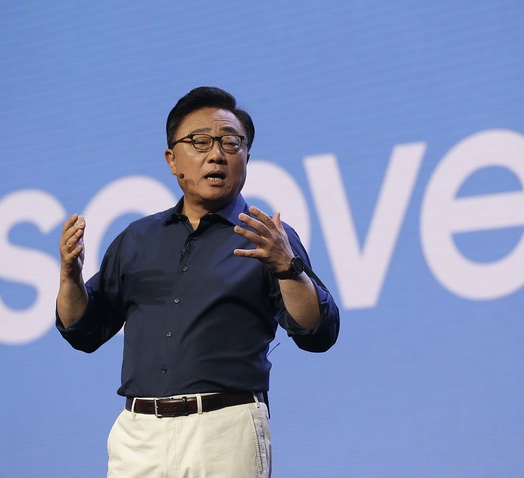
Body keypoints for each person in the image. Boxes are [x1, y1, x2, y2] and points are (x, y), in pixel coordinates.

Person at [56, 86, 340, 477]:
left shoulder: (267, 238)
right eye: (200, 142)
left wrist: (286, 267)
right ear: (173, 160)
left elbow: (317, 332)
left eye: (231, 143)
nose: (217, 154)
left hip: (224, 430)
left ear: (246, 158)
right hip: (139, 434)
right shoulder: (137, 239)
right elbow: (83, 331)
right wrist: (70, 276)